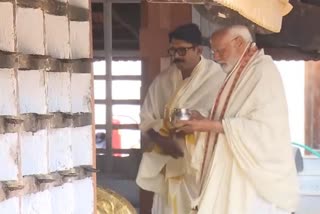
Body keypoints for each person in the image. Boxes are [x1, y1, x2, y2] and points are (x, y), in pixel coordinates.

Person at [176, 25, 299, 214]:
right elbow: (231, 115)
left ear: (239, 42)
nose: (215, 57)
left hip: (251, 179)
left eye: (220, 50)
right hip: (232, 169)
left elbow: (265, 131)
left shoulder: (263, 71)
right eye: (213, 51)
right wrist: (205, 119)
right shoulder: (239, 71)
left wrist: (209, 125)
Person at [136, 23, 226, 214]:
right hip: (170, 165)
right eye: (173, 51)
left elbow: (225, 122)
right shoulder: (163, 81)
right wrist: (163, 137)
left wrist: (200, 123)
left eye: (182, 51)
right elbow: (145, 120)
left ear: (198, 49)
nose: (176, 56)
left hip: (203, 168)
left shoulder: (218, 80)